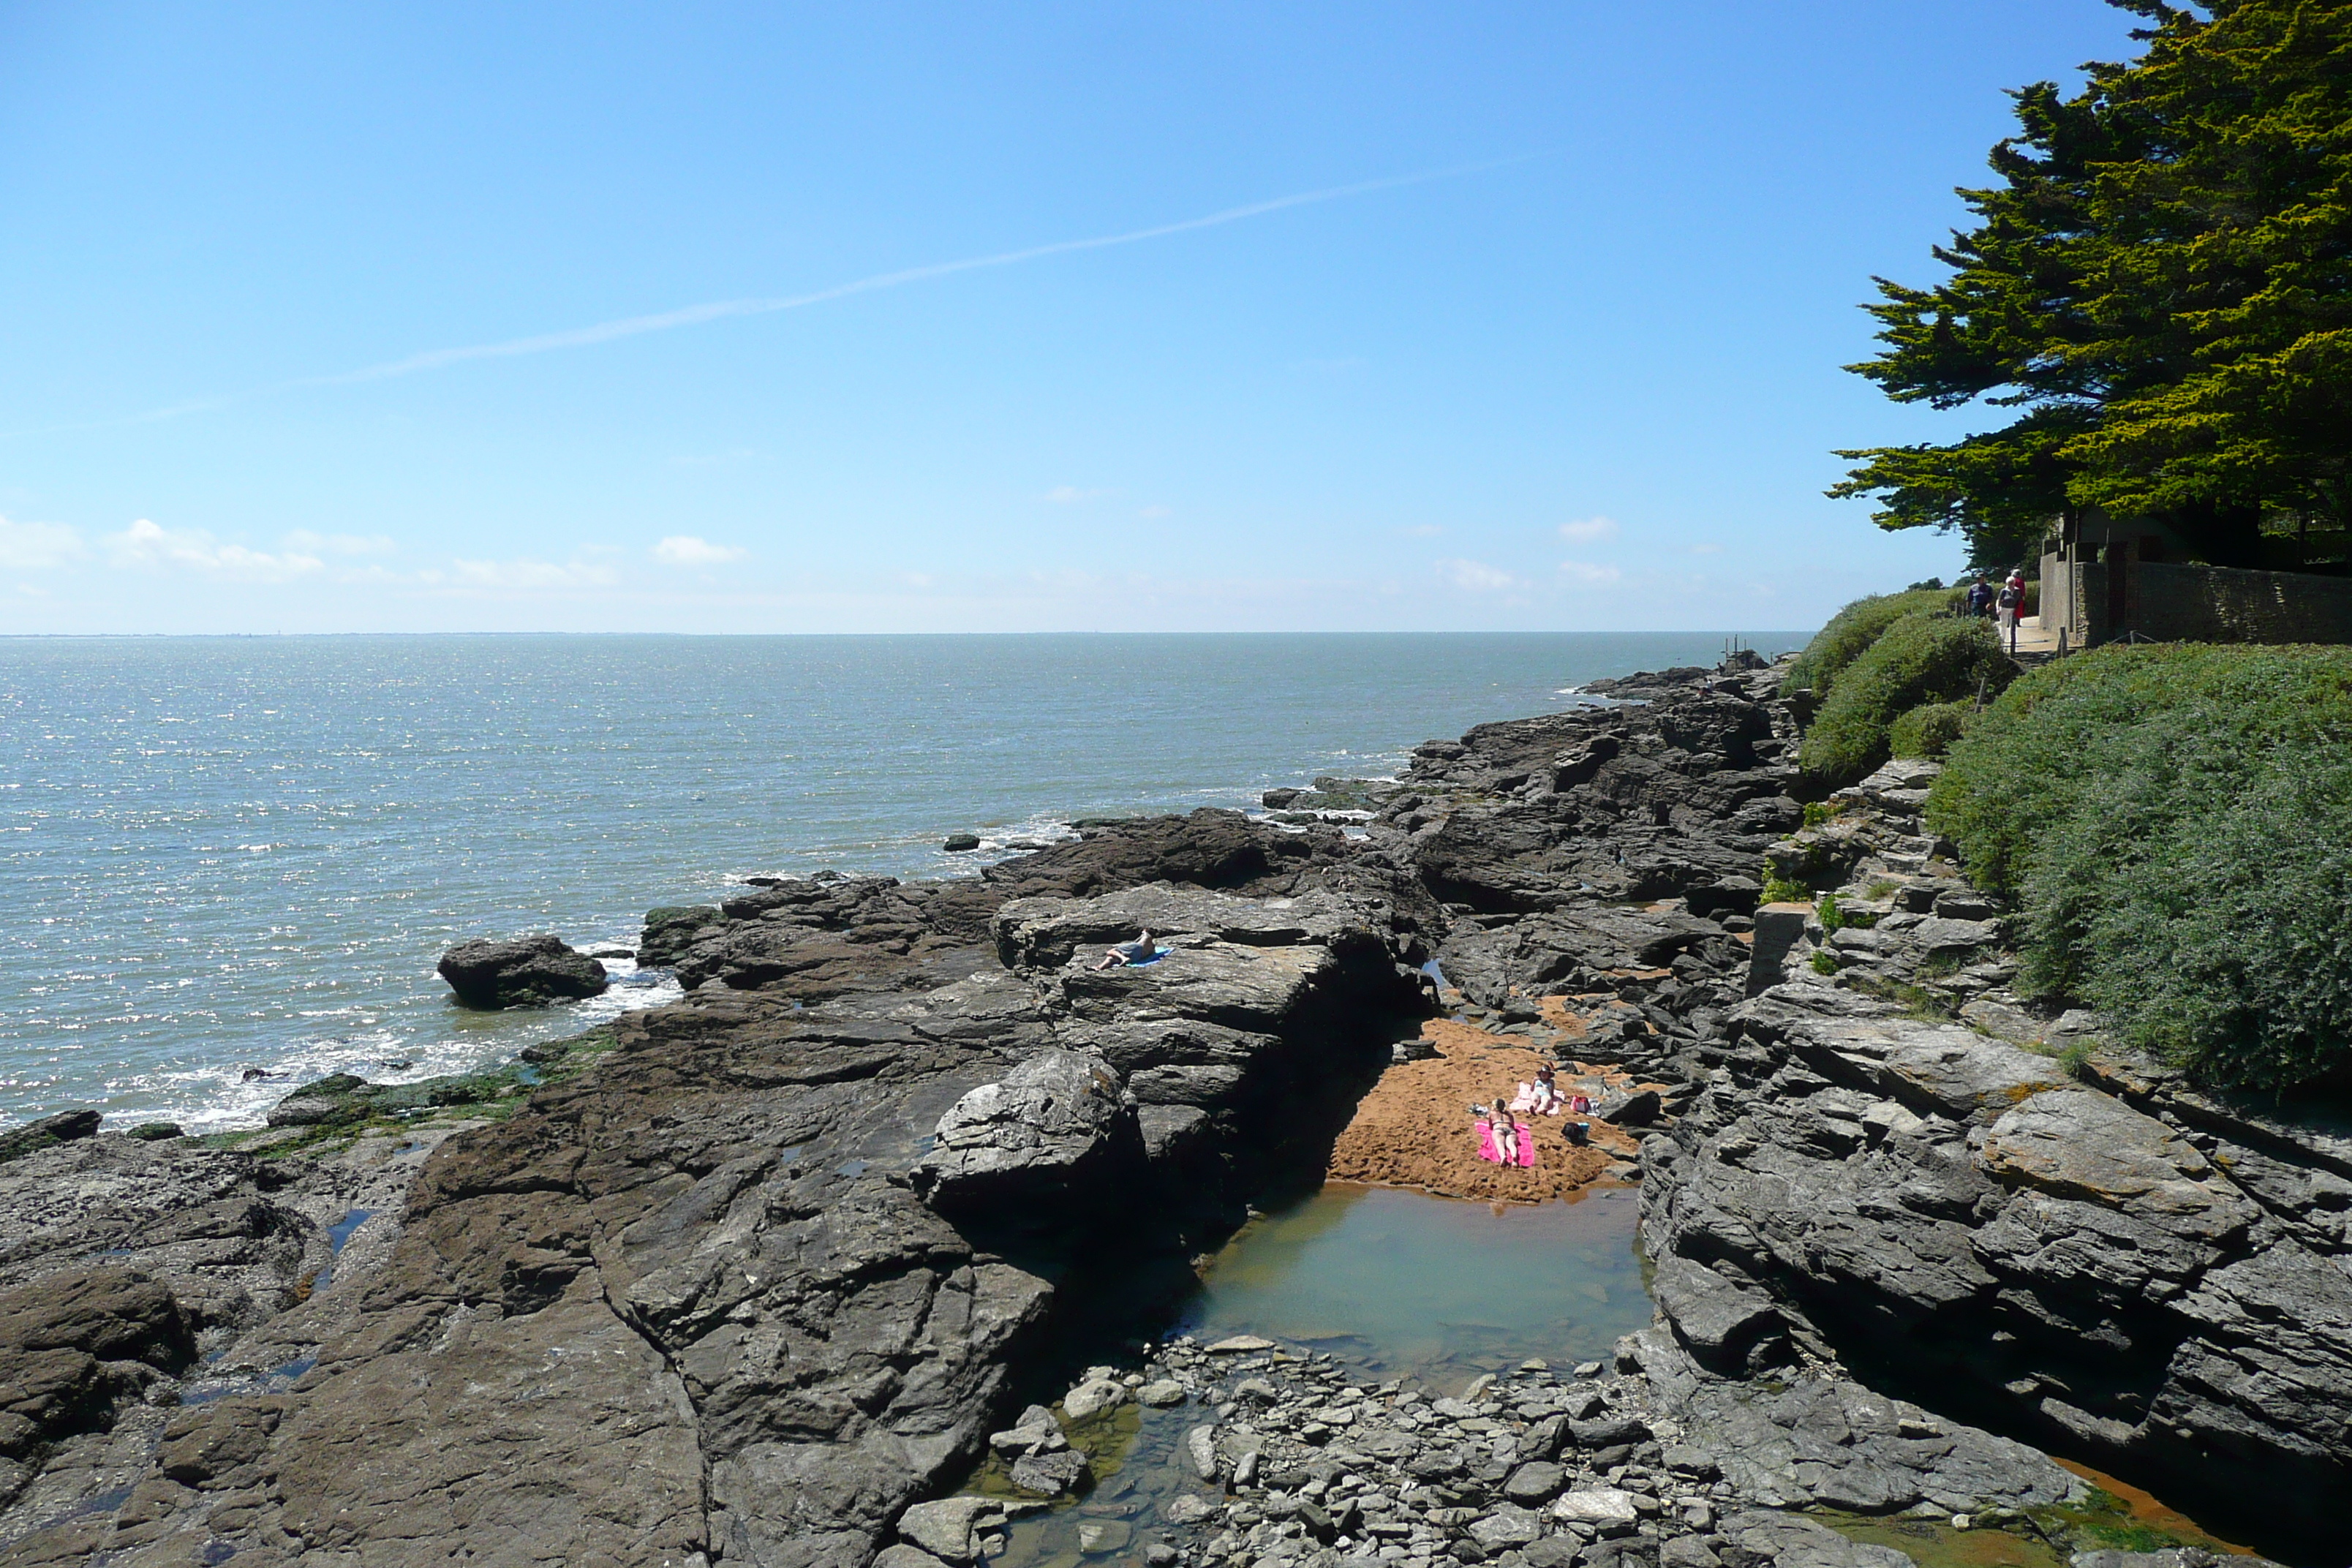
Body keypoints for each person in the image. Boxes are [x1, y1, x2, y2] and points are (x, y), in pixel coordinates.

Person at [1090, 929, 1157, 970]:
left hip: (1137, 947)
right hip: (1138, 957)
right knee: (1111, 958)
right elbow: (1153, 954)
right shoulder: (1152, 947)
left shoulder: (1146, 935)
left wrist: (1144, 932)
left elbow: (1136, 942)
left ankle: (1124, 958)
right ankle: (1099, 968)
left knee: (1112, 951)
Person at [1996, 573, 2023, 654]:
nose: (2011, 585)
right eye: (2009, 583)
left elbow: (2019, 601)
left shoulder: (2017, 591)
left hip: (2013, 610)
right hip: (2004, 609)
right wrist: (1998, 609)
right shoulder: (2004, 591)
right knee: (2004, 625)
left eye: (2012, 583)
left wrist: (2019, 611)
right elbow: (1999, 600)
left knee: (2012, 626)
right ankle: (2002, 642)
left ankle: (2012, 643)